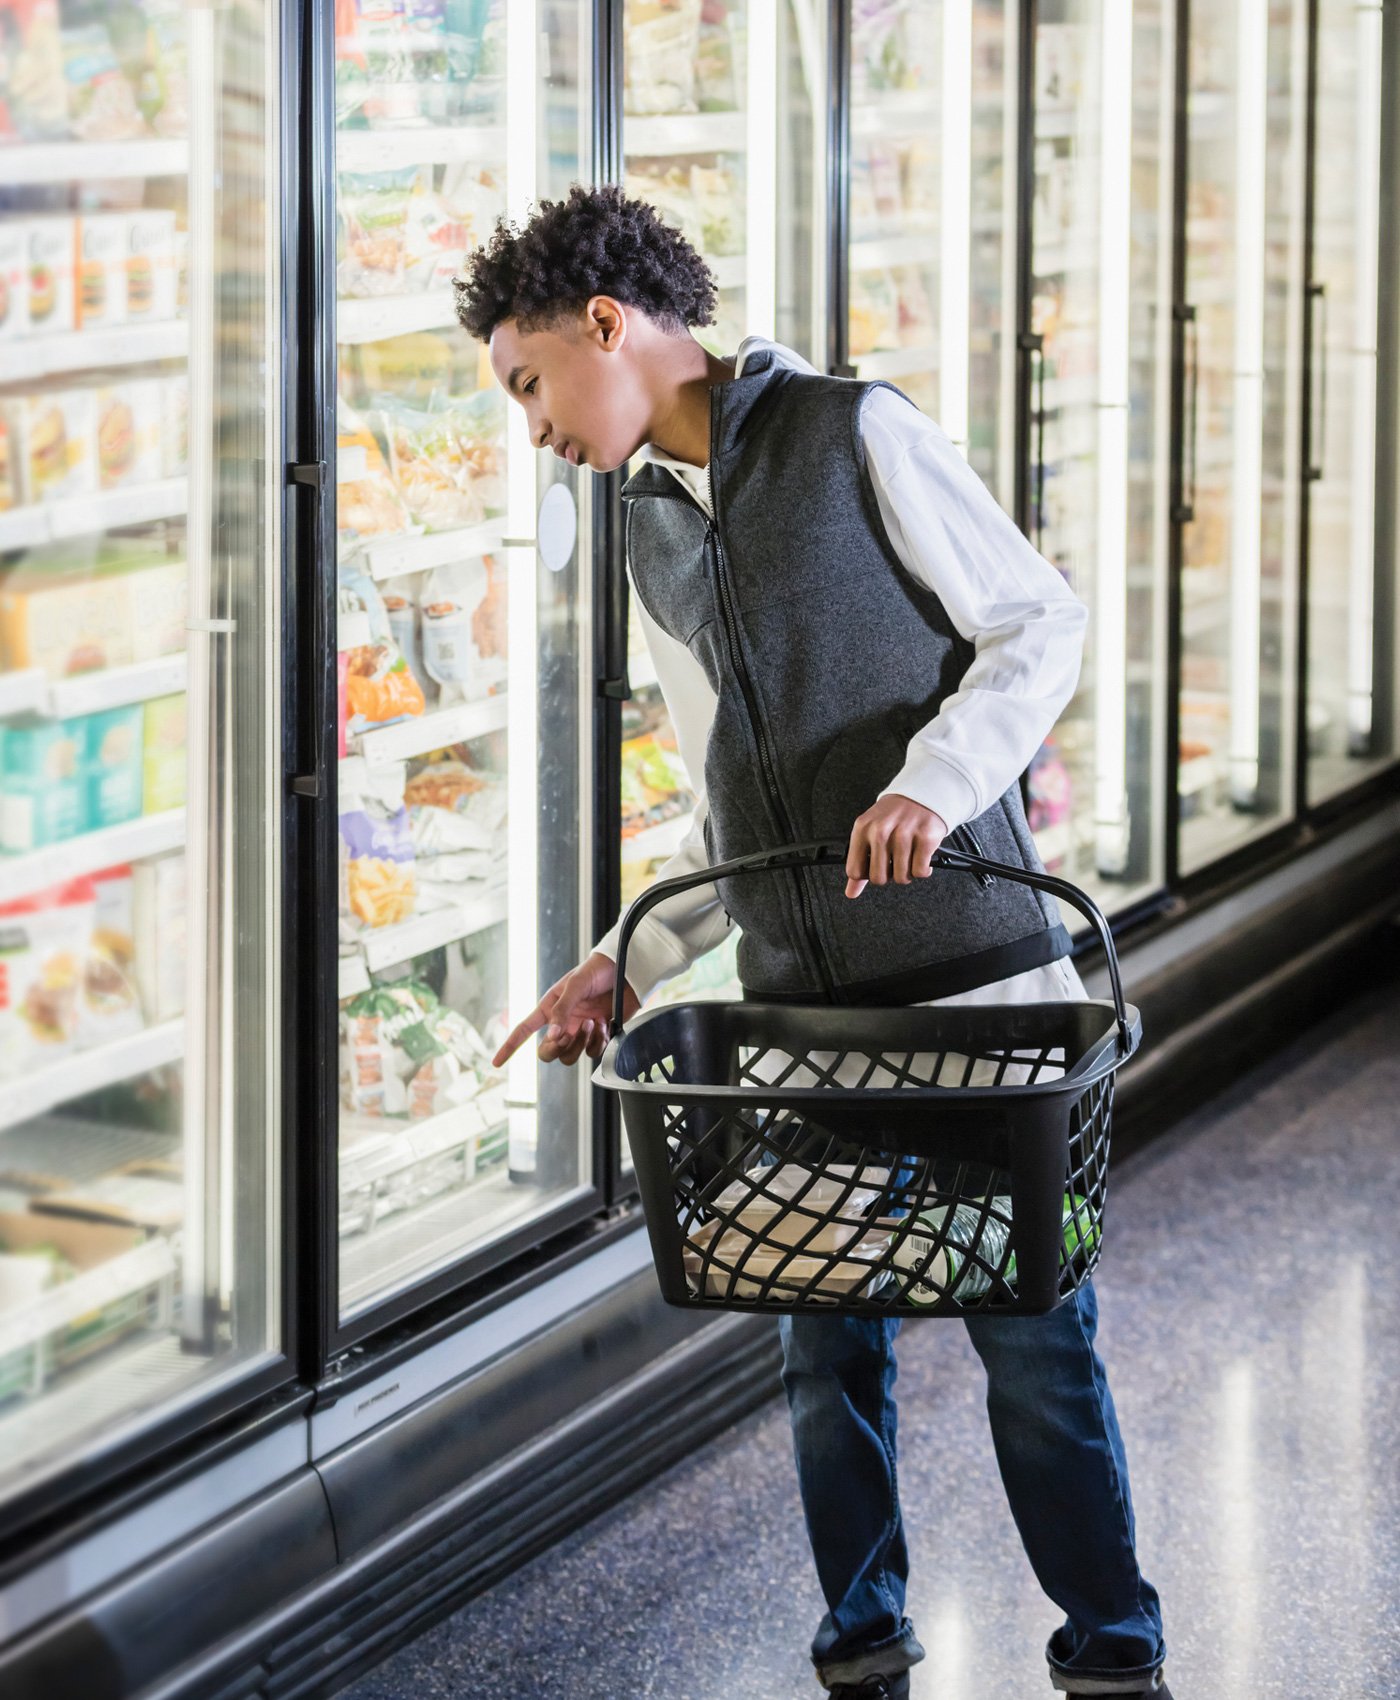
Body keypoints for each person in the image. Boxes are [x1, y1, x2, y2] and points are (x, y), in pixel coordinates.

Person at [459, 184, 1170, 1700]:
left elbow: (1038, 621)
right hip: (799, 1011)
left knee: (1034, 1345)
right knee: (819, 1343)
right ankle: (861, 1640)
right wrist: (627, 959)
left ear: (608, 326)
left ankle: (1114, 1653)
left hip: (980, 982)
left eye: (529, 386)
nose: (531, 430)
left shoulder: (856, 431)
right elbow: (734, 792)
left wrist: (930, 781)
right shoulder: (648, 533)